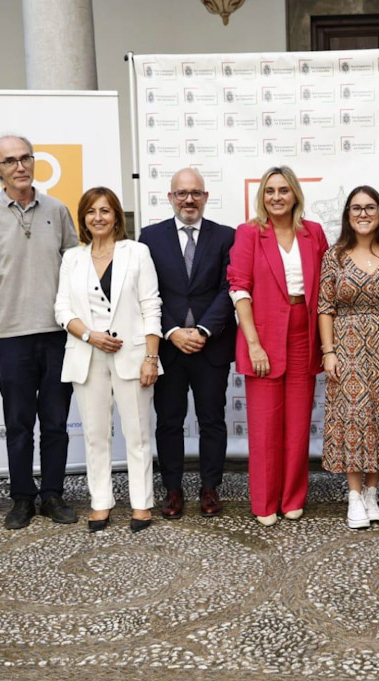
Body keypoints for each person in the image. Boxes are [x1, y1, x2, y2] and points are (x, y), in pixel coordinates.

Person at [0, 135, 79, 529]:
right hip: (11, 336)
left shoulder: (58, 209)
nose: (20, 166)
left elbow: (74, 269)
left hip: (57, 334)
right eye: (10, 161)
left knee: (55, 422)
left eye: (25, 158)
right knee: (18, 425)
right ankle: (21, 498)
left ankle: (52, 494)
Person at [54, 188, 162, 533]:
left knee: (138, 434)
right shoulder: (72, 258)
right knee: (95, 435)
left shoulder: (137, 253)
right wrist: (89, 335)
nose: (97, 217)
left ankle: (142, 504)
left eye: (104, 210)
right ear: (83, 218)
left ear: (117, 215)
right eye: (90, 212)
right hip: (87, 356)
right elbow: (61, 309)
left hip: (132, 356)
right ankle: (100, 502)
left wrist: (150, 357)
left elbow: (151, 306)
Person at [228, 166, 328, 525]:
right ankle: (265, 502)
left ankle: (293, 498)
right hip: (264, 335)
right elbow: (239, 289)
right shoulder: (249, 233)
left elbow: (326, 287)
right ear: (262, 197)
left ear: (295, 194)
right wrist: (254, 344)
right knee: (265, 425)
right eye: (270, 191)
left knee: (299, 424)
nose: (276, 197)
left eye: (283, 190)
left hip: (305, 332)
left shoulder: (313, 233)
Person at [319, 186, 379, 530]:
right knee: (354, 418)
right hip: (347, 346)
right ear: (347, 214)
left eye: (370, 207)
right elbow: (325, 307)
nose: (363, 214)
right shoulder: (335, 256)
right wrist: (328, 351)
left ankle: (372, 493)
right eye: (356, 208)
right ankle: (353, 496)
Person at [140, 168, 236, 520]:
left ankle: (210, 489)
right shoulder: (150, 237)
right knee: (169, 421)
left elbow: (230, 288)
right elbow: (146, 292)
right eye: (181, 193)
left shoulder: (227, 236)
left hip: (211, 346)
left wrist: (204, 330)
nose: (189, 199)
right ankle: (173, 489)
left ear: (206, 197)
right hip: (168, 347)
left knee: (213, 420)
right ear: (170, 198)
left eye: (195, 193)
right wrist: (172, 331)